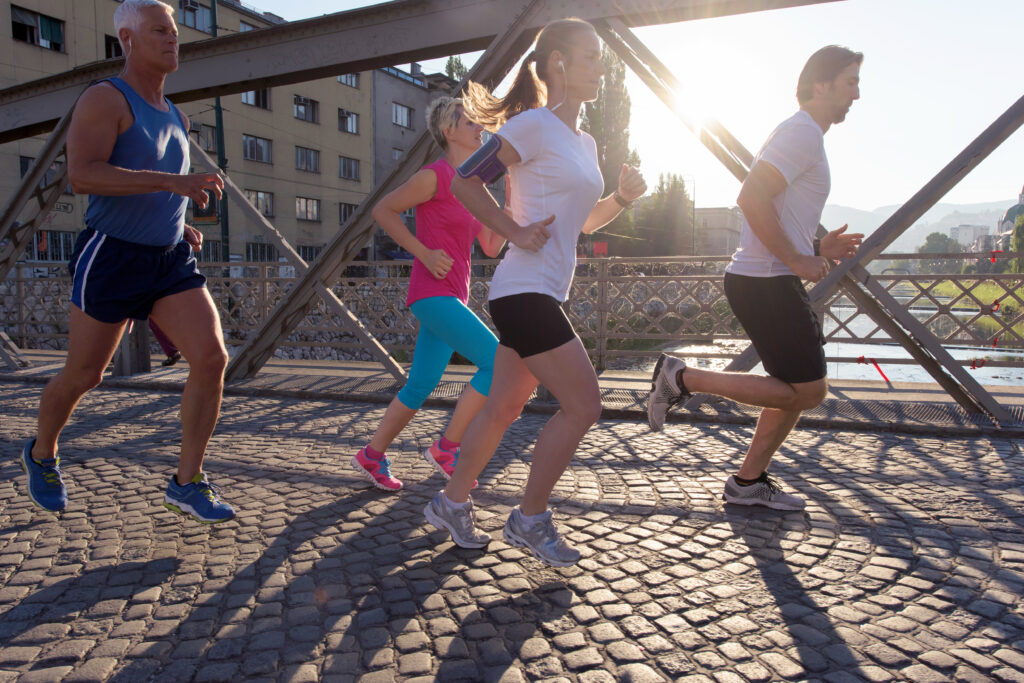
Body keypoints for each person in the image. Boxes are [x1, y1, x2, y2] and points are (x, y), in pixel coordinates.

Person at [422, 18, 646, 567]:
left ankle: (450, 503)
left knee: (501, 407)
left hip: (545, 291)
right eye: (589, 56)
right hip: (524, 291)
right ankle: (530, 518)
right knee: (584, 404)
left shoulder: (583, 141)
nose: (600, 65)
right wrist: (514, 229)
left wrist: (619, 197)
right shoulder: (534, 126)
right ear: (557, 66)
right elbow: (466, 178)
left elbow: (582, 222)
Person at [17, 0, 234, 523]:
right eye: (160, 31)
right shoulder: (104, 99)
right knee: (84, 375)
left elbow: (161, 184)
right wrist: (172, 184)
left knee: (212, 359)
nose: (173, 39)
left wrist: (177, 220)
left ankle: (187, 481)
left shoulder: (178, 116)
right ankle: (42, 453)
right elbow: (84, 176)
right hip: (111, 256)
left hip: (168, 261)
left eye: (176, 32)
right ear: (128, 40)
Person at [647, 45, 865, 511]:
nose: (857, 94)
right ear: (821, 84)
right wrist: (796, 258)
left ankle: (748, 482)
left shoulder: (803, 134)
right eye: (850, 82)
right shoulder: (802, 133)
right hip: (765, 280)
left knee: (793, 389)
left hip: (766, 277)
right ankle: (681, 377)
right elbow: (750, 198)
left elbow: (778, 212)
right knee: (809, 391)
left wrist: (812, 250)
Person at [350, 96, 505, 491]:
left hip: (453, 296)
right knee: (496, 361)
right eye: (469, 122)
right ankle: (446, 447)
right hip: (432, 293)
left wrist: (511, 194)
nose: (478, 128)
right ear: (448, 131)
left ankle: (371, 455)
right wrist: (422, 251)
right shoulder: (434, 176)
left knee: (420, 384)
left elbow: (491, 245)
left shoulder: (476, 185)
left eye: (479, 123)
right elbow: (383, 210)